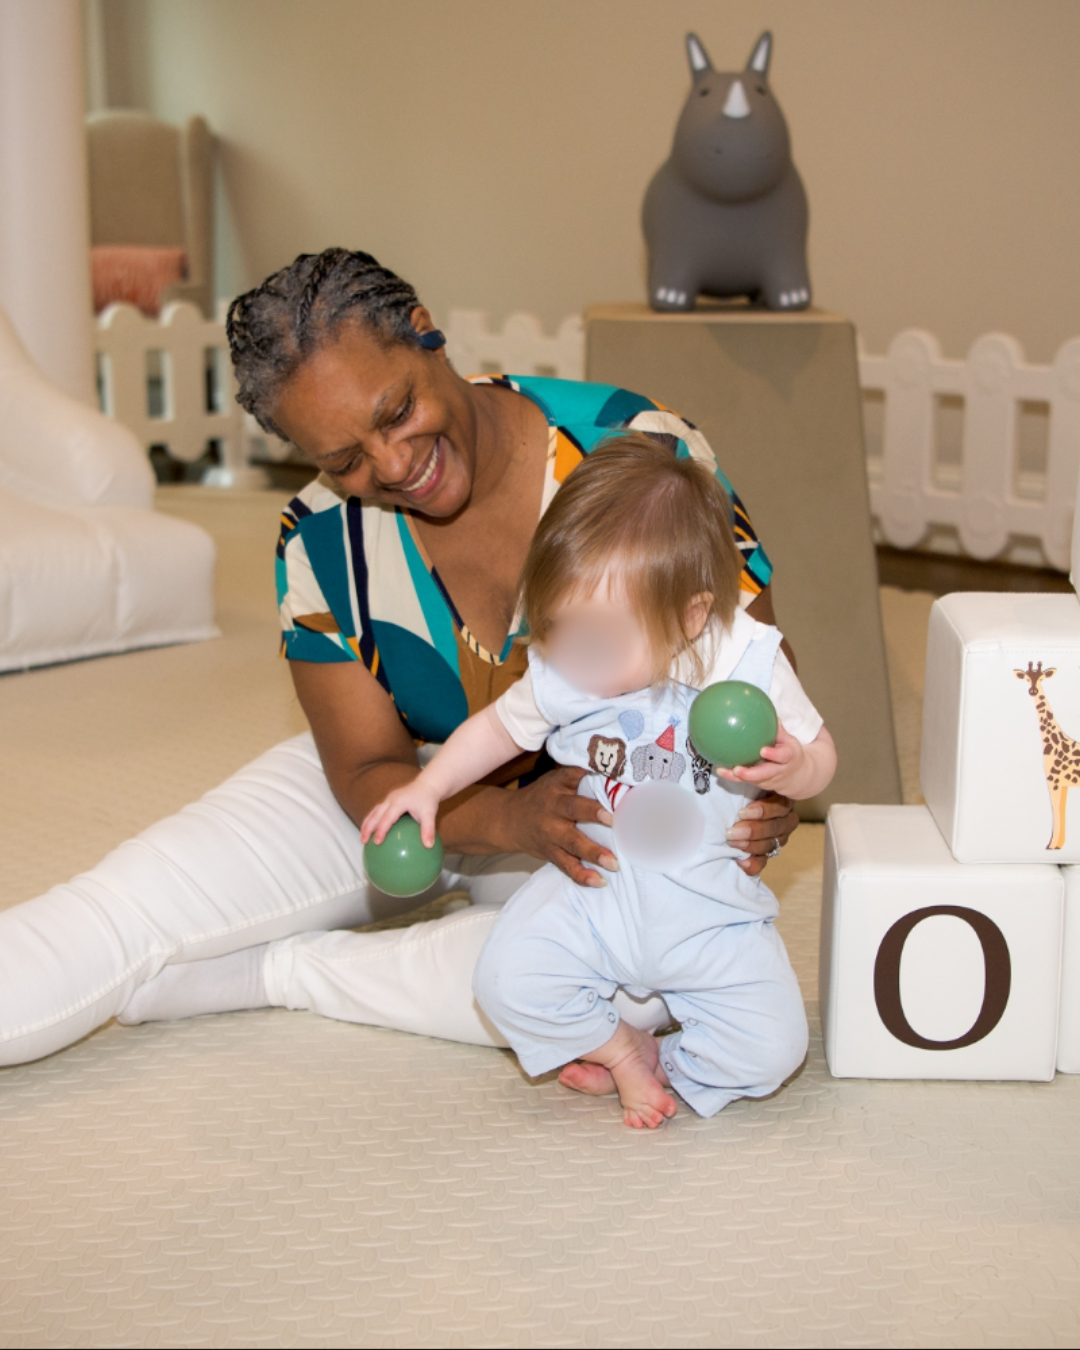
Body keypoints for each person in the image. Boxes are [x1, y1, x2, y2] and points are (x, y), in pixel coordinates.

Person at [0, 249, 800, 1072]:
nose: (389, 466)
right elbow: (367, 767)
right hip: (412, 788)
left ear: (426, 335)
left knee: (642, 989)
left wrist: (761, 788)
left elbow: (751, 666)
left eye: (395, 412)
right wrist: (501, 819)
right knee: (120, 910)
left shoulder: (635, 453)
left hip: (609, 817)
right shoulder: (318, 538)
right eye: (342, 460)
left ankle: (290, 971)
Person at [361, 436, 835, 1127]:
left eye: (597, 641)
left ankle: (669, 1066)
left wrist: (794, 767)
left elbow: (822, 755)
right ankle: (619, 1048)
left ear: (690, 618)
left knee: (774, 1049)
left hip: (709, 913)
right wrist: (429, 787)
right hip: (593, 890)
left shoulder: (747, 665)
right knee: (503, 983)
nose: (570, 660)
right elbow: (498, 729)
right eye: (555, 629)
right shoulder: (565, 669)